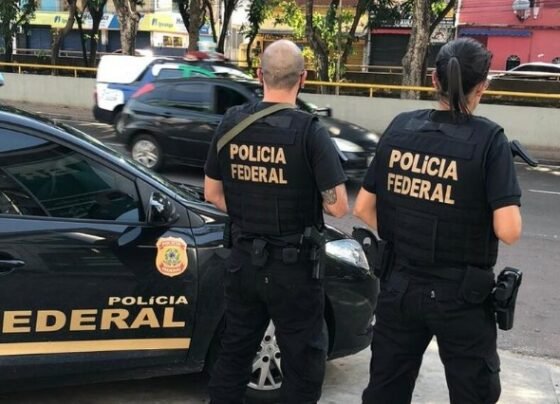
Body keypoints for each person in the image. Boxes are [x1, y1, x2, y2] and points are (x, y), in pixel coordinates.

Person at [354, 37, 522, 404]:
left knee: (385, 392)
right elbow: (508, 231)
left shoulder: (400, 126)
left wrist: (407, 231)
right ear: (482, 86)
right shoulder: (490, 140)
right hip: (460, 298)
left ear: (433, 79)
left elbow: (363, 208)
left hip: (399, 286)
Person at [204, 39, 348, 404]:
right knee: (303, 363)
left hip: (243, 262)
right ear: (303, 78)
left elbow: (212, 193)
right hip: (294, 270)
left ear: (259, 75)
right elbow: (338, 207)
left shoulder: (231, 123)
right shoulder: (310, 131)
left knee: (234, 353)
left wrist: (250, 207)